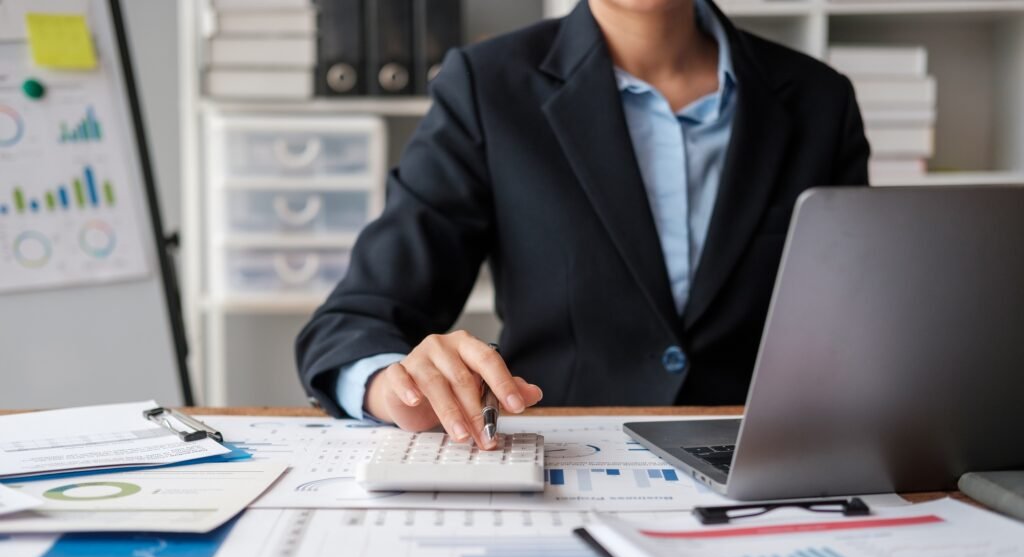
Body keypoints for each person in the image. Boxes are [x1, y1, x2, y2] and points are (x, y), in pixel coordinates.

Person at [296, 0, 870, 449]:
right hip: (560, 460)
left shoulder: (820, 100)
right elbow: (359, 316)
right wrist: (394, 384)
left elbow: (859, 330)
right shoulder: (487, 86)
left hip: (767, 463)